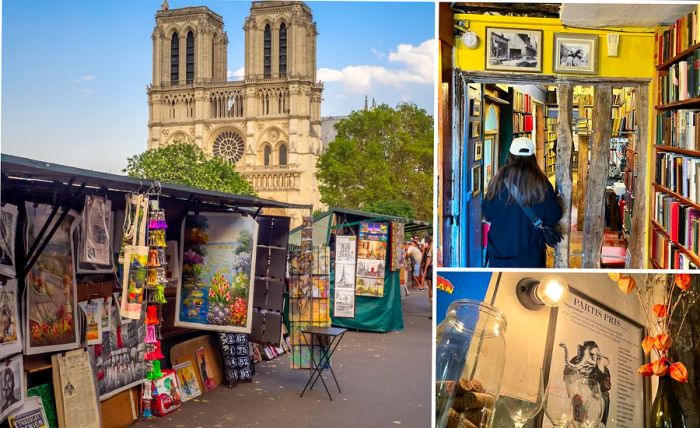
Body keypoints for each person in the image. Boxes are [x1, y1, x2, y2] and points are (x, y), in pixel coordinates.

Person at [482, 137, 563, 267]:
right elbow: (554, 215)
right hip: (530, 257)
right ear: (533, 157)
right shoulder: (542, 185)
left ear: (510, 156)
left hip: (499, 256)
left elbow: (487, 213)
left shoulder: (497, 182)